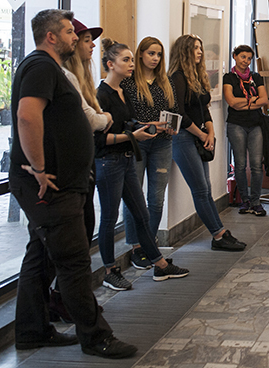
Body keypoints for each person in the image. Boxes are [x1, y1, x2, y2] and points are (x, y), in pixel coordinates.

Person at [9, 8, 136, 359]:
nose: (75, 38)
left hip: (63, 183)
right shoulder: (40, 66)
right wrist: (38, 167)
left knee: (42, 258)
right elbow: (27, 116)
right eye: (69, 32)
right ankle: (95, 337)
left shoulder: (52, 70)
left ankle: (32, 330)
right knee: (74, 261)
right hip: (50, 186)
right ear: (51, 37)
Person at [94, 39, 191, 289]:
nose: (131, 64)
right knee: (109, 218)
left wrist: (148, 127)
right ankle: (110, 271)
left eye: (130, 59)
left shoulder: (122, 91)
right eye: (126, 60)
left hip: (127, 157)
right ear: (110, 64)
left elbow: (128, 122)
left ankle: (159, 264)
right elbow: (99, 139)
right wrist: (133, 136)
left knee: (142, 212)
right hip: (109, 161)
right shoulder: (101, 94)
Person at [51, 18, 111, 322]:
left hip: (83, 166)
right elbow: (90, 119)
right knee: (74, 240)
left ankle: (64, 299)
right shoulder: (66, 77)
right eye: (85, 39)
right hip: (70, 170)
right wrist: (105, 119)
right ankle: (66, 302)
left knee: (84, 231)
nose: (90, 45)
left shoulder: (81, 79)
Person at [168, 34, 246, 251]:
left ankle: (219, 233)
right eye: (196, 48)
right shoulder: (177, 77)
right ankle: (219, 234)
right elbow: (179, 114)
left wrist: (210, 132)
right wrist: (202, 135)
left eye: (200, 48)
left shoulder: (196, 76)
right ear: (185, 51)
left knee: (206, 187)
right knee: (200, 189)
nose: (200, 52)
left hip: (200, 135)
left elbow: (204, 108)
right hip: (183, 138)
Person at [121, 36, 178, 270]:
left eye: (159, 54)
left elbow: (173, 110)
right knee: (134, 196)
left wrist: (172, 126)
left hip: (162, 142)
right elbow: (126, 117)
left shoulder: (165, 81)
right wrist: (148, 124)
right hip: (138, 143)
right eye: (151, 53)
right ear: (141, 54)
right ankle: (136, 246)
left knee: (156, 197)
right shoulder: (129, 82)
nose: (155, 58)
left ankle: (149, 244)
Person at [223, 44, 269, 217]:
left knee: (257, 165)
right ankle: (245, 200)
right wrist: (252, 100)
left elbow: (264, 100)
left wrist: (244, 102)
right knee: (240, 164)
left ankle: (256, 201)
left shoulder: (256, 77)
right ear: (234, 56)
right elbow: (231, 102)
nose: (246, 61)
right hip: (236, 124)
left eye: (249, 58)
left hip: (256, 124)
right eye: (243, 57)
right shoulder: (229, 78)